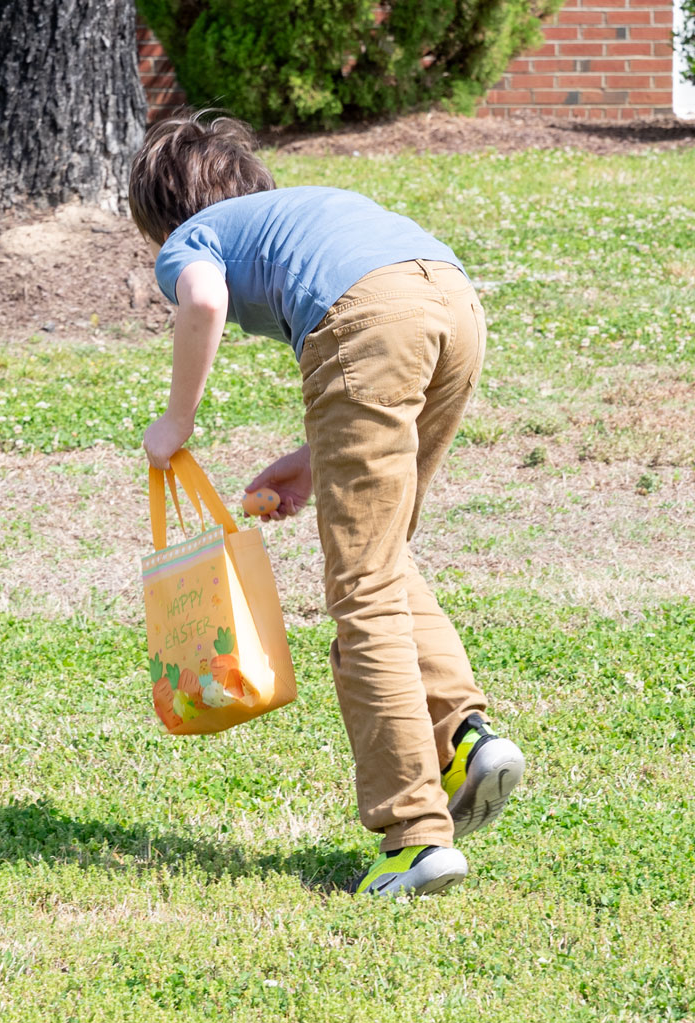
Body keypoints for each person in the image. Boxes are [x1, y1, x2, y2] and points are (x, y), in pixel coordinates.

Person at [132, 113, 525, 899]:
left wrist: (176, 424)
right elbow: (388, 327)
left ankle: (415, 834)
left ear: (164, 216)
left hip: (371, 319)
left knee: (361, 590)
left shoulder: (195, 239)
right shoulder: (300, 213)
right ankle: (463, 739)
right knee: (383, 559)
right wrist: (316, 460)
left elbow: (203, 300)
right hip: (452, 302)